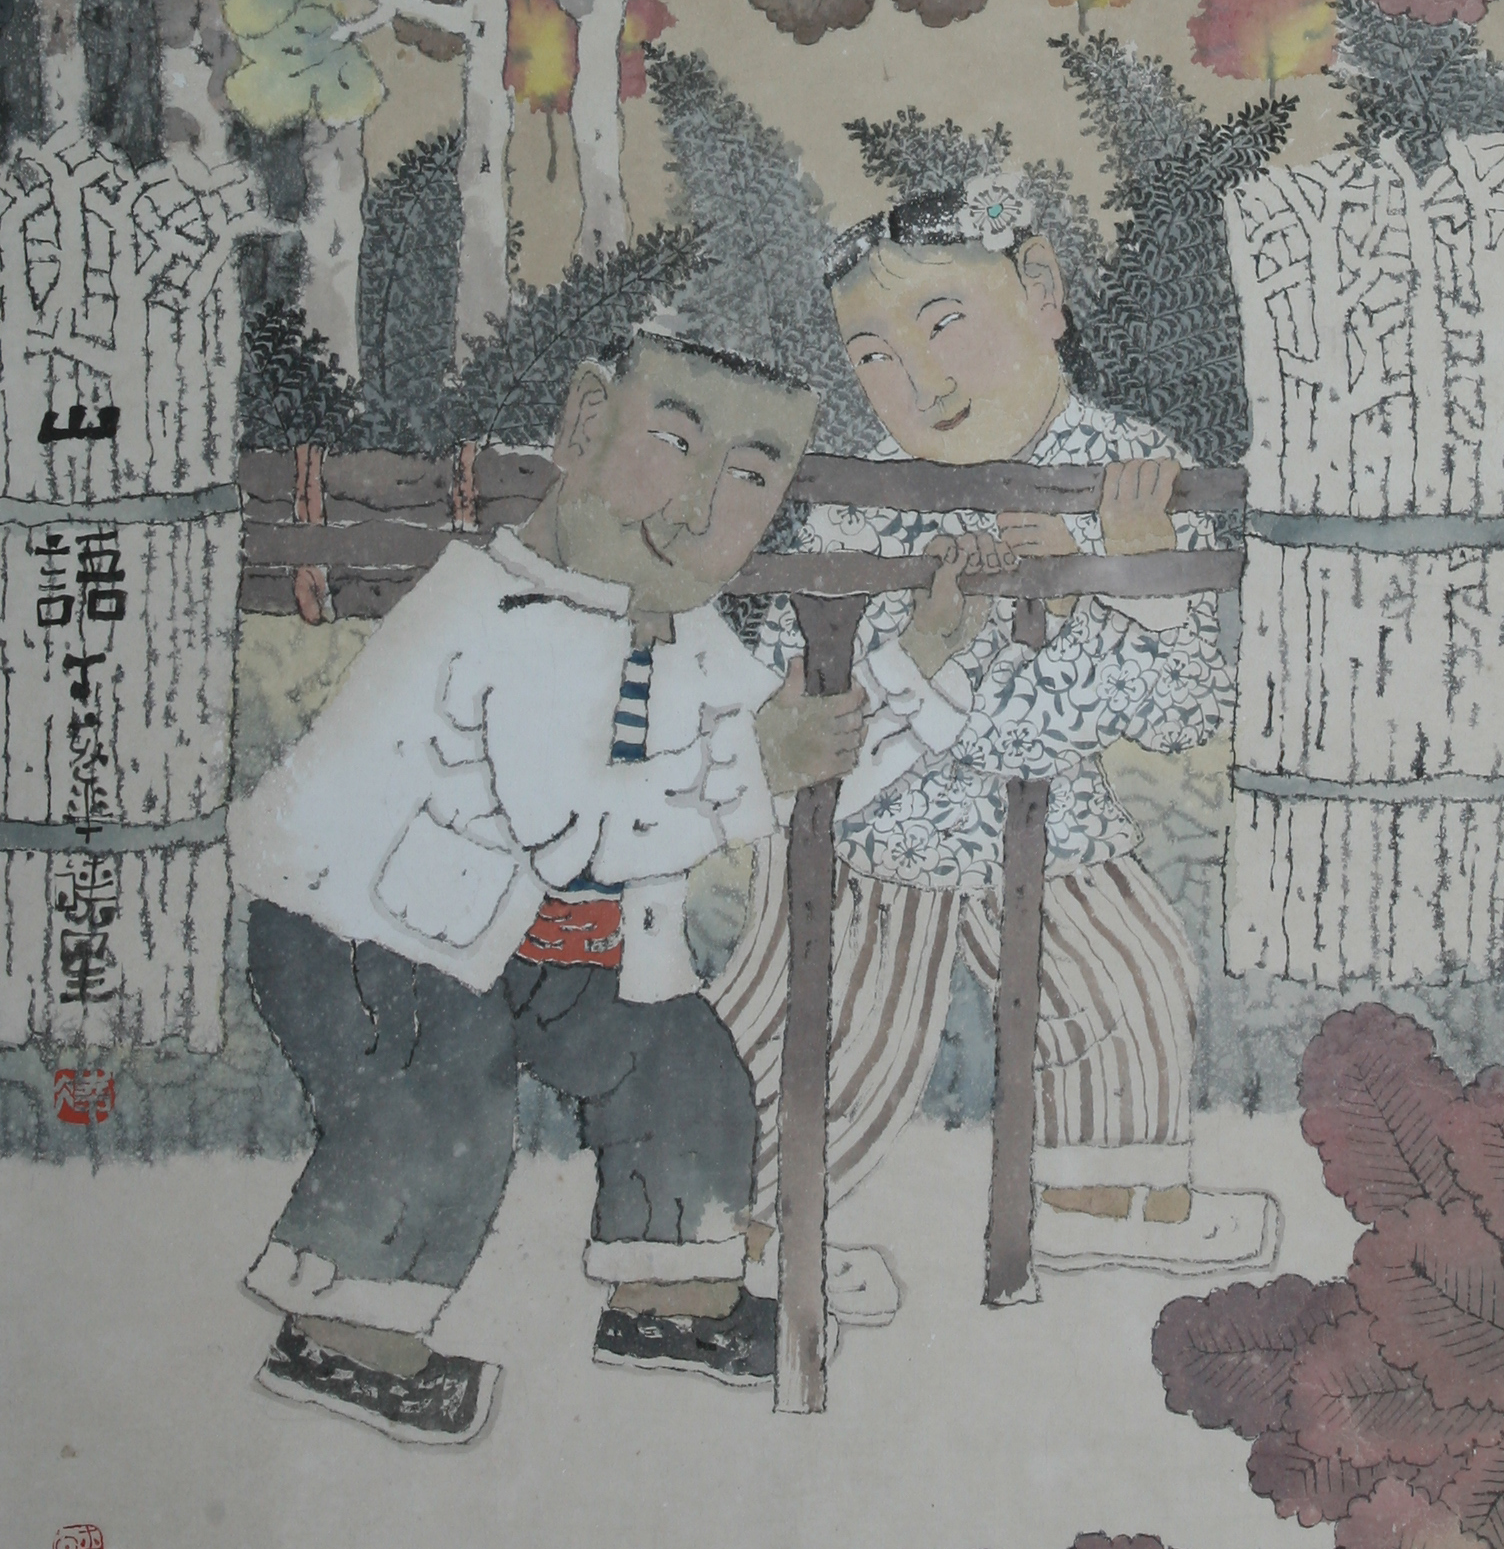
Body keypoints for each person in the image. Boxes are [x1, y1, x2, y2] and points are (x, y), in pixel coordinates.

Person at [231, 328, 863, 1446]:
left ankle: (672, 1292)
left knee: (673, 1056)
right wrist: (757, 764)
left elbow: (800, 748)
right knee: (437, 1095)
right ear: (582, 424)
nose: (698, 505)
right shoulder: (500, 612)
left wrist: (920, 672)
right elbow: (578, 832)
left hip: (524, 935)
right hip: (364, 928)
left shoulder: (679, 625)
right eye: (674, 442)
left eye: (751, 476)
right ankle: (345, 1332)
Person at [712, 177, 1277, 1281]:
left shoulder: (1130, 470)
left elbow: (1188, 707)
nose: (919, 380)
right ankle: (743, 1225)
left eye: (944, 324)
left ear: (1042, 293)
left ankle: (1107, 1194)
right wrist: (1018, 632)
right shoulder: (868, 497)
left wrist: (1133, 578)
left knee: (1132, 976)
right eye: (874, 355)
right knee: (836, 1029)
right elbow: (824, 676)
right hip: (877, 826)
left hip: (1058, 826)